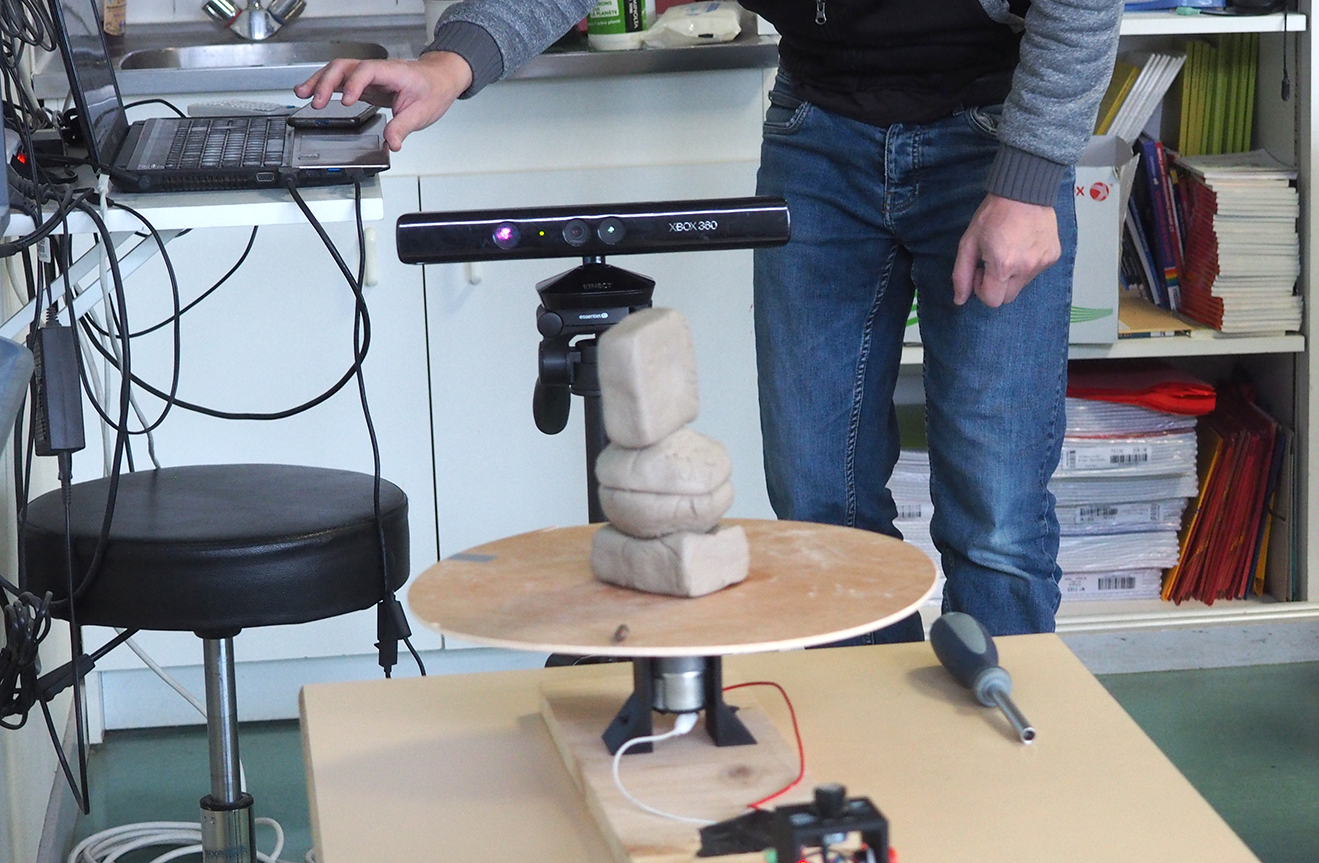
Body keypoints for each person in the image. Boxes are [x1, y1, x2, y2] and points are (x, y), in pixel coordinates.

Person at [298, 0, 1123, 641]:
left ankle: (1010, 763)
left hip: (992, 132)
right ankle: (867, 745)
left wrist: (1027, 183)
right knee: (817, 501)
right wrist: (450, 63)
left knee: (995, 512)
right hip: (821, 131)